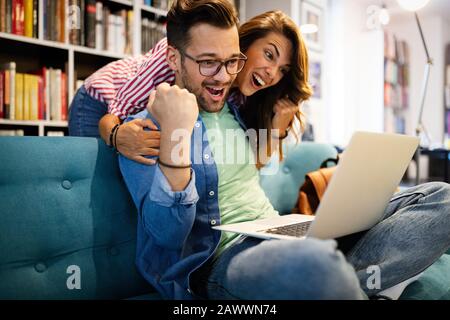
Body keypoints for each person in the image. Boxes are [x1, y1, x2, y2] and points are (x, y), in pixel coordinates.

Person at [119, 0, 450, 300]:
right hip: (223, 261)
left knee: (441, 196)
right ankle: (343, 278)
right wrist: (176, 134)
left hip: (280, 232)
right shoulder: (145, 128)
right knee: (315, 264)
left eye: (232, 61)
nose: (223, 77)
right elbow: (166, 237)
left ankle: (345, 281)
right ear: (173, 59)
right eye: (208, 63)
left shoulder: (237, 110)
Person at [68, 8, 310, 166]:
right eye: (269, 55)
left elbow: (250, 167)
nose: (272, 73)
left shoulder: (244, 97)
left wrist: (277, 128)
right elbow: (113, 115)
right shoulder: (174, 59)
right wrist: (116, 135)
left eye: (283, 70)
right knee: (106, 184)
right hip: (100, 99)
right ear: (245, 42)